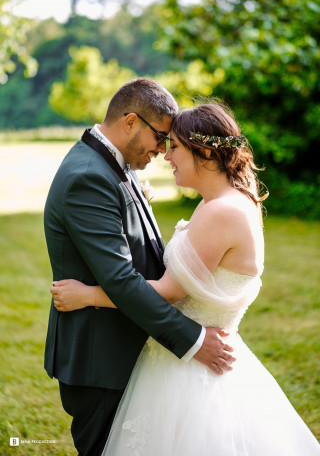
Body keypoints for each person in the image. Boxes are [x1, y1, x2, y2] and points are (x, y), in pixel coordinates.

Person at [51, 101, 320, 455]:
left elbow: (168, 292)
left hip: (194, 370)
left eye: (174, 146)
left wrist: (88, 295)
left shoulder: (221, 211)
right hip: (180, 357)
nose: (166, 155)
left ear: (205, 152)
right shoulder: (219, 202)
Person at [43, 80, 236, 456]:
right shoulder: (88, 176)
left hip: (130, 347)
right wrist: (194, 340)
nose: (163, 151)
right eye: (161, 137)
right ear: (131, 121)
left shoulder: (115, 161)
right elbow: (119, 279)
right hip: (102, 360)